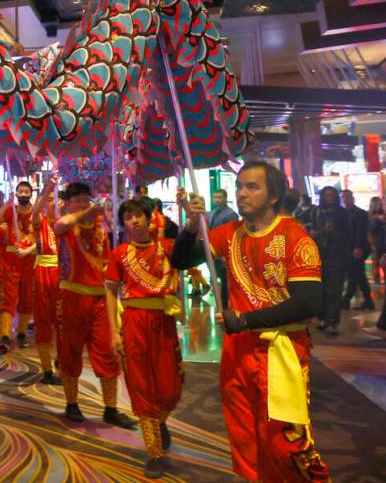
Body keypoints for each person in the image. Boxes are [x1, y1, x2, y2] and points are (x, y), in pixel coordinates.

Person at [172, 162, 328, 482]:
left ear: (273, 196)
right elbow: (182, 260)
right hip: (237, 350)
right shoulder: (230, 233)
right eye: (240, 186)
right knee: (243, 435)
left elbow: (309, 304)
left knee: (285, 441)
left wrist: (244, 319)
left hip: (281, 351)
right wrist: (190, 224)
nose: (241, 193)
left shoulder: (295, 237)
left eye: (252, 187)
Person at [105, 199, 183, 479]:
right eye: (128, 217)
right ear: (123, 223)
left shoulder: (169, 249)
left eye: (139, 215)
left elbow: (194, 247)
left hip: (164, 324)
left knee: (171, 388)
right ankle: (154, 453)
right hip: (134, 324)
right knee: (141, 386)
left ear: (150, 218)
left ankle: (160, 421)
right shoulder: (119, 254)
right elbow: (111, 293)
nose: (135, 221)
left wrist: (193, 216)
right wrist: (113, 331)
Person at [54, 182, 135, 428]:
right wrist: (82, 214)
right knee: (70, 353)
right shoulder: (65, 225)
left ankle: (110, 409)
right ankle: (72, 404)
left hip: (100, 299)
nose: (81, 203)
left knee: (108, 354)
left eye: (84, 200)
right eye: (76, 200)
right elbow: (60, 224)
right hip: (72, 298)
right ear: (67, 203)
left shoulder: (101, 227)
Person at [0, 181, 39, 352]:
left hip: (30, 259)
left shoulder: (37, 212)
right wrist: (7, 203)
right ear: (16, 193)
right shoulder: (11, 210)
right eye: (21, 191)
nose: (23, 194)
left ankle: (22, 333)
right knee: (9, 296)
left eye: (27, 191)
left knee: (27, 297)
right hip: (12, 258)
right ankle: (4, 335)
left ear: (31, 193)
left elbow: (43, 237)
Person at [30, 177, 61, 383]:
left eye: (56, 199)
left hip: (63, 274)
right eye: (49, 199)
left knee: (63, 321)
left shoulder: (65, 223)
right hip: (42, 271)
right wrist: (48, 187)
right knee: (43, 320)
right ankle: (46, 368)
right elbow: (35, 211)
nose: (53, 203)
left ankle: (62, 360)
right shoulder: (39, 222)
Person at [312, 186, 350, 336]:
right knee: (321, 290)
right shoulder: (317, 211)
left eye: (332, 195)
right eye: (326, 195)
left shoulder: (342, 213)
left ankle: (333, 321)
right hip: (320, 256)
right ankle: (322, 319)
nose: (329, 198)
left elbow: (347, 235)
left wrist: (331, 232)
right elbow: (313, 230)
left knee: (335, 290)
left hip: (337, 256)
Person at [341, 190, 374, 310]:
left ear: (352, 198)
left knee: (354, 274)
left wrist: (358, 247)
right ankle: (368, 301)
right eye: (343, 197)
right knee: (358, 274)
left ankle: (346, 300)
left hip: (359, 248)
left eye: (347, 197)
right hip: (351, 248)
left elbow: (361, 232)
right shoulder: (345, 213)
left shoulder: (360, 213)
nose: (345, 199)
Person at [368, 196, 385, 286]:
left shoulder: (383, 214)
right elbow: (370, 230)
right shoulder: (370, 216)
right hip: (375, 241)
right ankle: (376, 279)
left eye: (380, 203)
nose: (380, 204)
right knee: (376, 261)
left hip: (382, 240)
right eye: (378, 203)